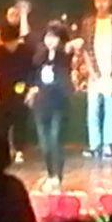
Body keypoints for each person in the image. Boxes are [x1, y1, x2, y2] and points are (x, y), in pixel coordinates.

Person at [80, 0, 112, 159]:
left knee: (111, 110)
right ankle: (94, 145)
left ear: (110, 2)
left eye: (104, 0)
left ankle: (107, 144)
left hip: (111, 73)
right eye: (98, 0)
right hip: (94, 74)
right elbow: (85, 49)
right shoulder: (88, 23)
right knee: (92, 110)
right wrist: (92, 72)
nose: (101, 4)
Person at [31, 15, 78, 189]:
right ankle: (50, 173)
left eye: (55, 37)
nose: (50, 40)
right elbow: (35, 67)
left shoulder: (64, 53)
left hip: (60, 100)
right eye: (48, 36)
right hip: (42, 102)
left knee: (56, 138)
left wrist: (62, 47)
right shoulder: (40, 53)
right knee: (44, 142)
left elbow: (74, 47)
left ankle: (57, 175)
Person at [0, 0, 34, 164]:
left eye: (12, 41)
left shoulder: (25, 50)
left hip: (21, 87)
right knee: (2, 122)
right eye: (7, 42)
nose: (10, 45)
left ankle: (19, 149)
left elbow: (31, 71)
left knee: (20, 120)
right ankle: (4, 150)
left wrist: (30, 90)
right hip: (4, 89)